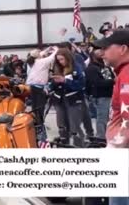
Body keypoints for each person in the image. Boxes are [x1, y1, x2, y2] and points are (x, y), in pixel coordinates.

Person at [93, 29, 129, 205]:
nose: (102, 53)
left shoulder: (127, 74)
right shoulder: (123, 73)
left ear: (123, 49)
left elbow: (127, 118)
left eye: (106, 48)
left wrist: (113, 150)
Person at [50, 48, 87, 147]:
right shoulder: (57, 68)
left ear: (68, 58)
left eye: (62, 59)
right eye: (58, 60)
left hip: (73, 101)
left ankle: (79, 146)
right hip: (59, 100)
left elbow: (81, 85)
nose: (60, 62)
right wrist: (53, 83)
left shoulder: (77, 68)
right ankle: (64, 145)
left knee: (74, 126)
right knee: (61, 125)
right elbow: (52, 86)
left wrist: (65, 81)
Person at [25, 46, 58, 143]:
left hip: (32, 87)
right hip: (39, 89)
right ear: (38, 56)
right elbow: (52, 57)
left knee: (35, 109)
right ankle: (42, 134)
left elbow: (40, 54)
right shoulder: (41, 62)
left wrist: (47, 50)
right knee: (40, 110)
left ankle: (37, 129)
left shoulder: (32, 62)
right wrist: (55, 50)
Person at [85, 49, 115, 139]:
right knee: (102, 117)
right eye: (99, 53)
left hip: (109, 95)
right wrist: (113, 81)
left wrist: (113, 80)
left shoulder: (105, 67)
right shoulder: (91, 68)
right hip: (100, 96)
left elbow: (112, 77)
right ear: (93, 56)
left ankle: (107, 135)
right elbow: (97, 83)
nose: (102, 54)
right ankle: (101, 137)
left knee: (108, 117)